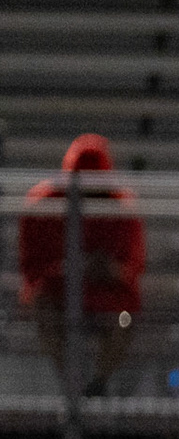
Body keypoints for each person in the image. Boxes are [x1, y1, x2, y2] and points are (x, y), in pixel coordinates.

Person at [16, 133, 143, 396]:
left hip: (106, 298)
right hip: (58, 296)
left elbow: (131, 268)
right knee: (44, 310)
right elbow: (32, 270)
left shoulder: (121, 206)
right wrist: (65, 269)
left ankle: (97, 385)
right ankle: (72, 385)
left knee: (125, 319)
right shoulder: (44, 203)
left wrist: (109, 270)